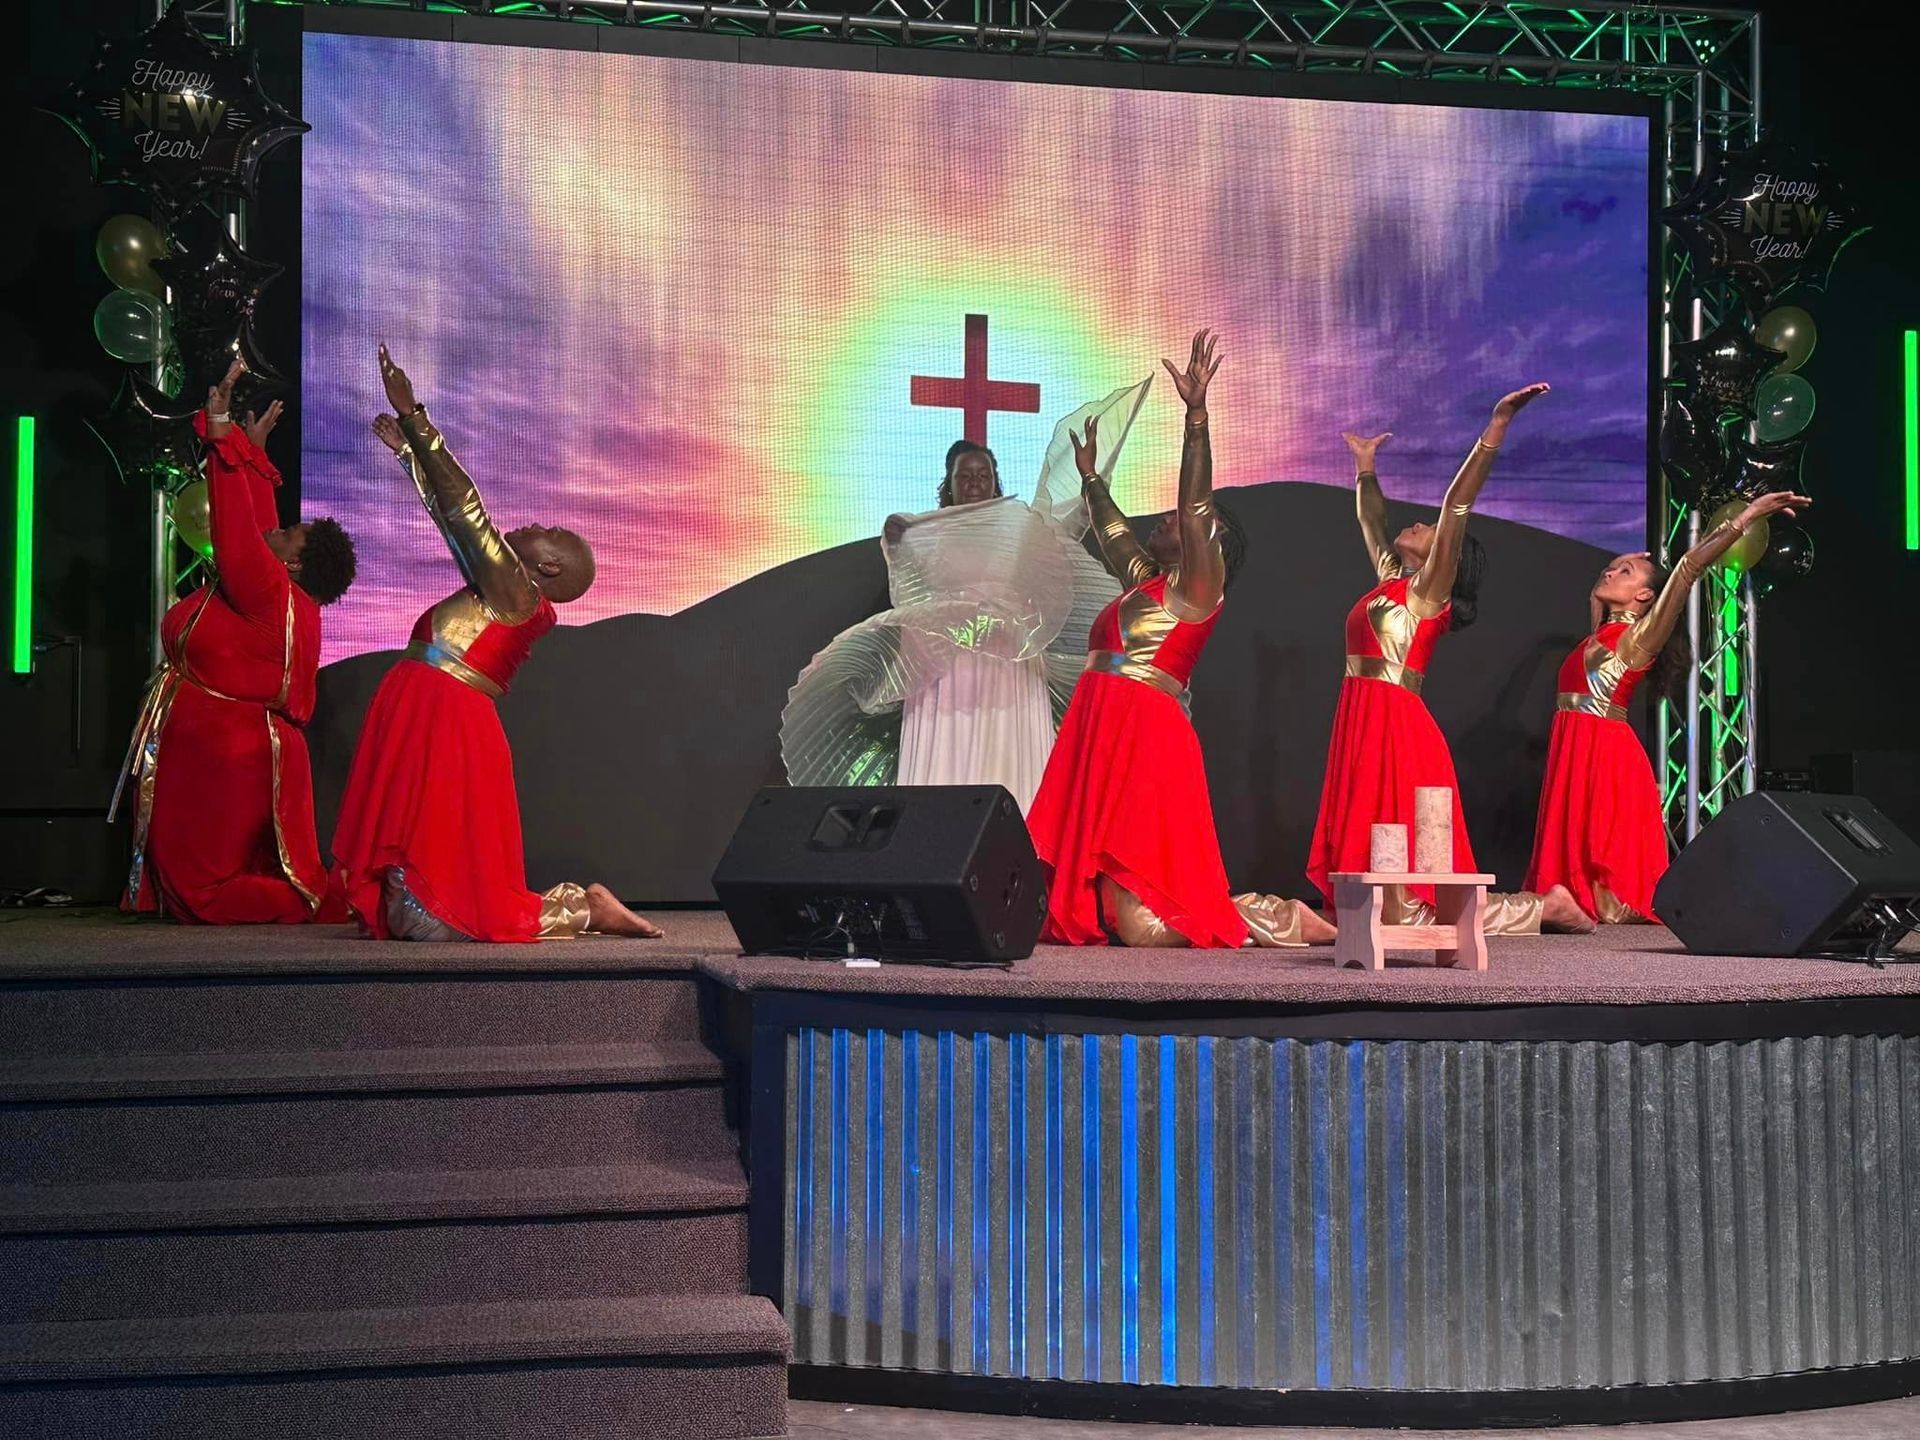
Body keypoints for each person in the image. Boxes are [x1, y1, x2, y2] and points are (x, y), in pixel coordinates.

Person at [330, 344, 662, 942]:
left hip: (445, 712)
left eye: (547, 533)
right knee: (417, 891)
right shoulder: (505, 588)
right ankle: (576, 908)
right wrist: (410, 457)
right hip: (430, 702)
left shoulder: (518, 596)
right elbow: (455, 526)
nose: (534, 525)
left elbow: (467, 515)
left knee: (445, 913)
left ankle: (582, 910)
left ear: (550, 570)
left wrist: (418, 422)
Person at [1025, 330, 1333, 948]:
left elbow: (1194, 509)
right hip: (1102, 730)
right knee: (1107, 914)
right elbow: (1115, 538)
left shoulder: (1197, 590)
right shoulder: (1148, 586)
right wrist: (1092, 482)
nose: (1170, 518)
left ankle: (1280, 916)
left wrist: (1196, 417)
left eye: (1188, 521)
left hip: (1144, 741)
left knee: (1143, 927)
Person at [782, 383, 1147, 811]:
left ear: (996, 484)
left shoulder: (1021, 530)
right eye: (964, 476)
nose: (974, 483)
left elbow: (1073, 521)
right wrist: (900, 535)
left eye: (983, 476)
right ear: (949, 484)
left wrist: (1091, 472)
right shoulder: (924, 535)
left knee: (1010, 768)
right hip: (945, 671)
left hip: (1009, 668)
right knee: (946, 772)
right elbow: (905, 572)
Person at [1307, 392, 1590, 934]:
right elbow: (1372, 523)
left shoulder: (1428, 590)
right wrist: (1366, 469)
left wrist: (1497, 426)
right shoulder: (1392, 583)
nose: (1419, 524)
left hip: (1396, 727)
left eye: (1429, 531)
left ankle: (1544, 907)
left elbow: (1456, 505)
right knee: (1369, 891)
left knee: (1413, 908)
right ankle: (1537, 907)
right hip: (1365, 720)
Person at [117, 360, 357, 923]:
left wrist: (221, 432)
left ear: (295, 563)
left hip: (224, 753)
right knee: (201, 883)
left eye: (289, 533)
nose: (276, 529)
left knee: (201, 891)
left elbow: (235, 532)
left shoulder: (271, 591)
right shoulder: (288, 600)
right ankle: (320, 898)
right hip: (239, 749)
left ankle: (327, 903)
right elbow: (257, 527)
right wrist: (253, 457)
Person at [1524, 489, 1811, 923]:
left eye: (1626, 572)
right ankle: (1572, 902)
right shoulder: (1600, 636)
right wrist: (1610, 580)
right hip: (1579, 743)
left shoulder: (1641, 638)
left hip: (1603, 751)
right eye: (1612, 567)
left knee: (1606, 879)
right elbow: (1595, 622)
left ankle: (1597, 902)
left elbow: (1688, 569)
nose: (1612, 572)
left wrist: (1747, 516)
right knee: (1575, 854)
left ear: (1644, 598)